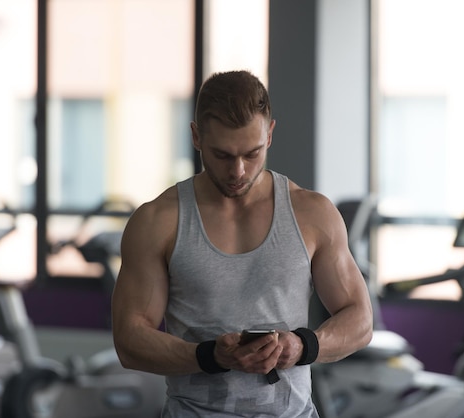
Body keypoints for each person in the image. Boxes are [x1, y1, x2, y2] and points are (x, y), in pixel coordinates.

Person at [112, 70, 373, 417]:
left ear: (270, 134)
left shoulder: (313, 214)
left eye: (252, 154)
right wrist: (211, 356)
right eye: (222, 155)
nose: (238, 171)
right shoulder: (158, 221)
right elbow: (130, 341)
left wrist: (302, 346)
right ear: (196, 136)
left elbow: (359, 319)